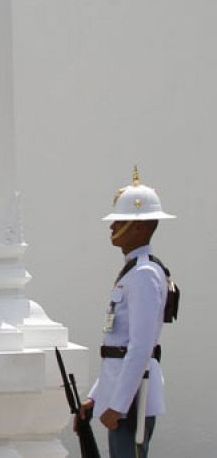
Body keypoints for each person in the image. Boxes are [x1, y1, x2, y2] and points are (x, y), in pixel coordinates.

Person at [76, 168, 177, 457]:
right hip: (121, 392)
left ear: (140, 227)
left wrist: (118, 404)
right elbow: (115, 347)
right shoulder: (132, 271)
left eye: (119, 221)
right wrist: (96, 397)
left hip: (133, 398)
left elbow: (140, 346)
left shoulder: (144, 274)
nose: (112, 228)